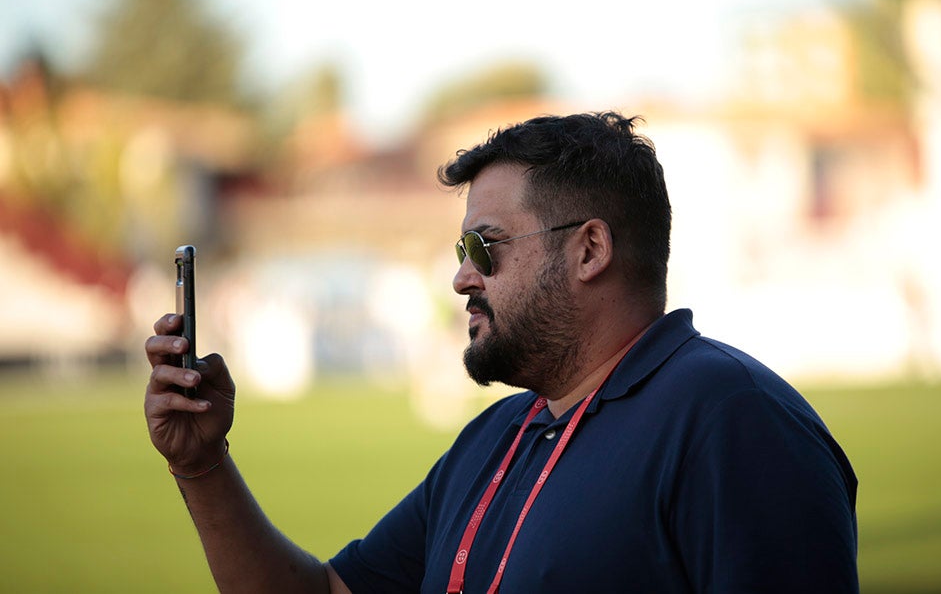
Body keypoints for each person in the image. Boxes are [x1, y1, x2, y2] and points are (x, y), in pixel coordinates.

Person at [145, 111, 859, 593]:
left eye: (484, 246)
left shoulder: (730, 419)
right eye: (462, 250)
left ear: (589, 249)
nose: (461, 275)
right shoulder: (496, 439)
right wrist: (201, 464)